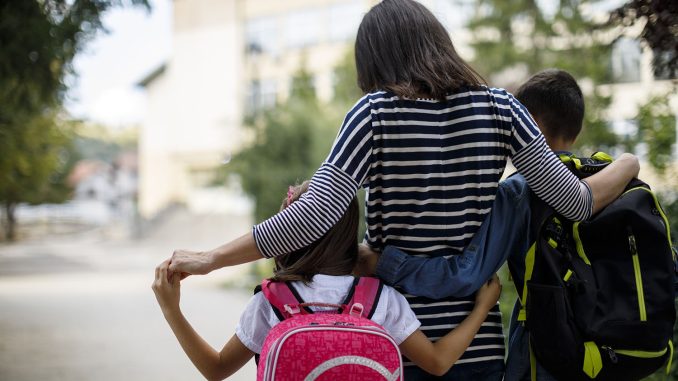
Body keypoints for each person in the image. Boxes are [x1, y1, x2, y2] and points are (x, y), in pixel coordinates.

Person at [166, 1, 638, 379]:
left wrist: (211, 259)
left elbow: (312, 215)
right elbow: (577, 203)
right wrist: (628, 162)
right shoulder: (501, 108)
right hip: (478, 344)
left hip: (392, 341)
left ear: (374, 59)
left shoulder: (373, 114)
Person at [356, 69, 634, 380]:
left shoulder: (519, 193)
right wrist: (629, 161)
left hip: (545, 355)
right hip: (611, 351)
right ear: (576, 128)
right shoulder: (609, 182)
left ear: (529, 123)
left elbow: (463, 274)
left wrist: (382, 263)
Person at [153, 182, 502, 380]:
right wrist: (482, 308)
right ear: (351, 232)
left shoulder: (271, 301)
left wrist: (172, 310)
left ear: (286, 234)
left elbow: (215, 370)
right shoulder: (380, 298)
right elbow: (438, 362)